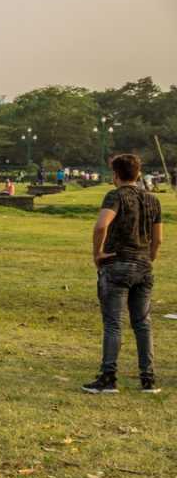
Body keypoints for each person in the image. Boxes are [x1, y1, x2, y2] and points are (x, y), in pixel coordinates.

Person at [82, 154, 163, 394]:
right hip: (143, 265)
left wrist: (97, 253)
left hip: (117, 263)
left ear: (115, 175)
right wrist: (148, 257)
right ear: (138, 173)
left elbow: (101, 225)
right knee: (143, 323)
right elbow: (158, 239)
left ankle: (108, 377)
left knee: (113, 323)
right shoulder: (153, 200)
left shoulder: (115, 196)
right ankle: (148, 379)